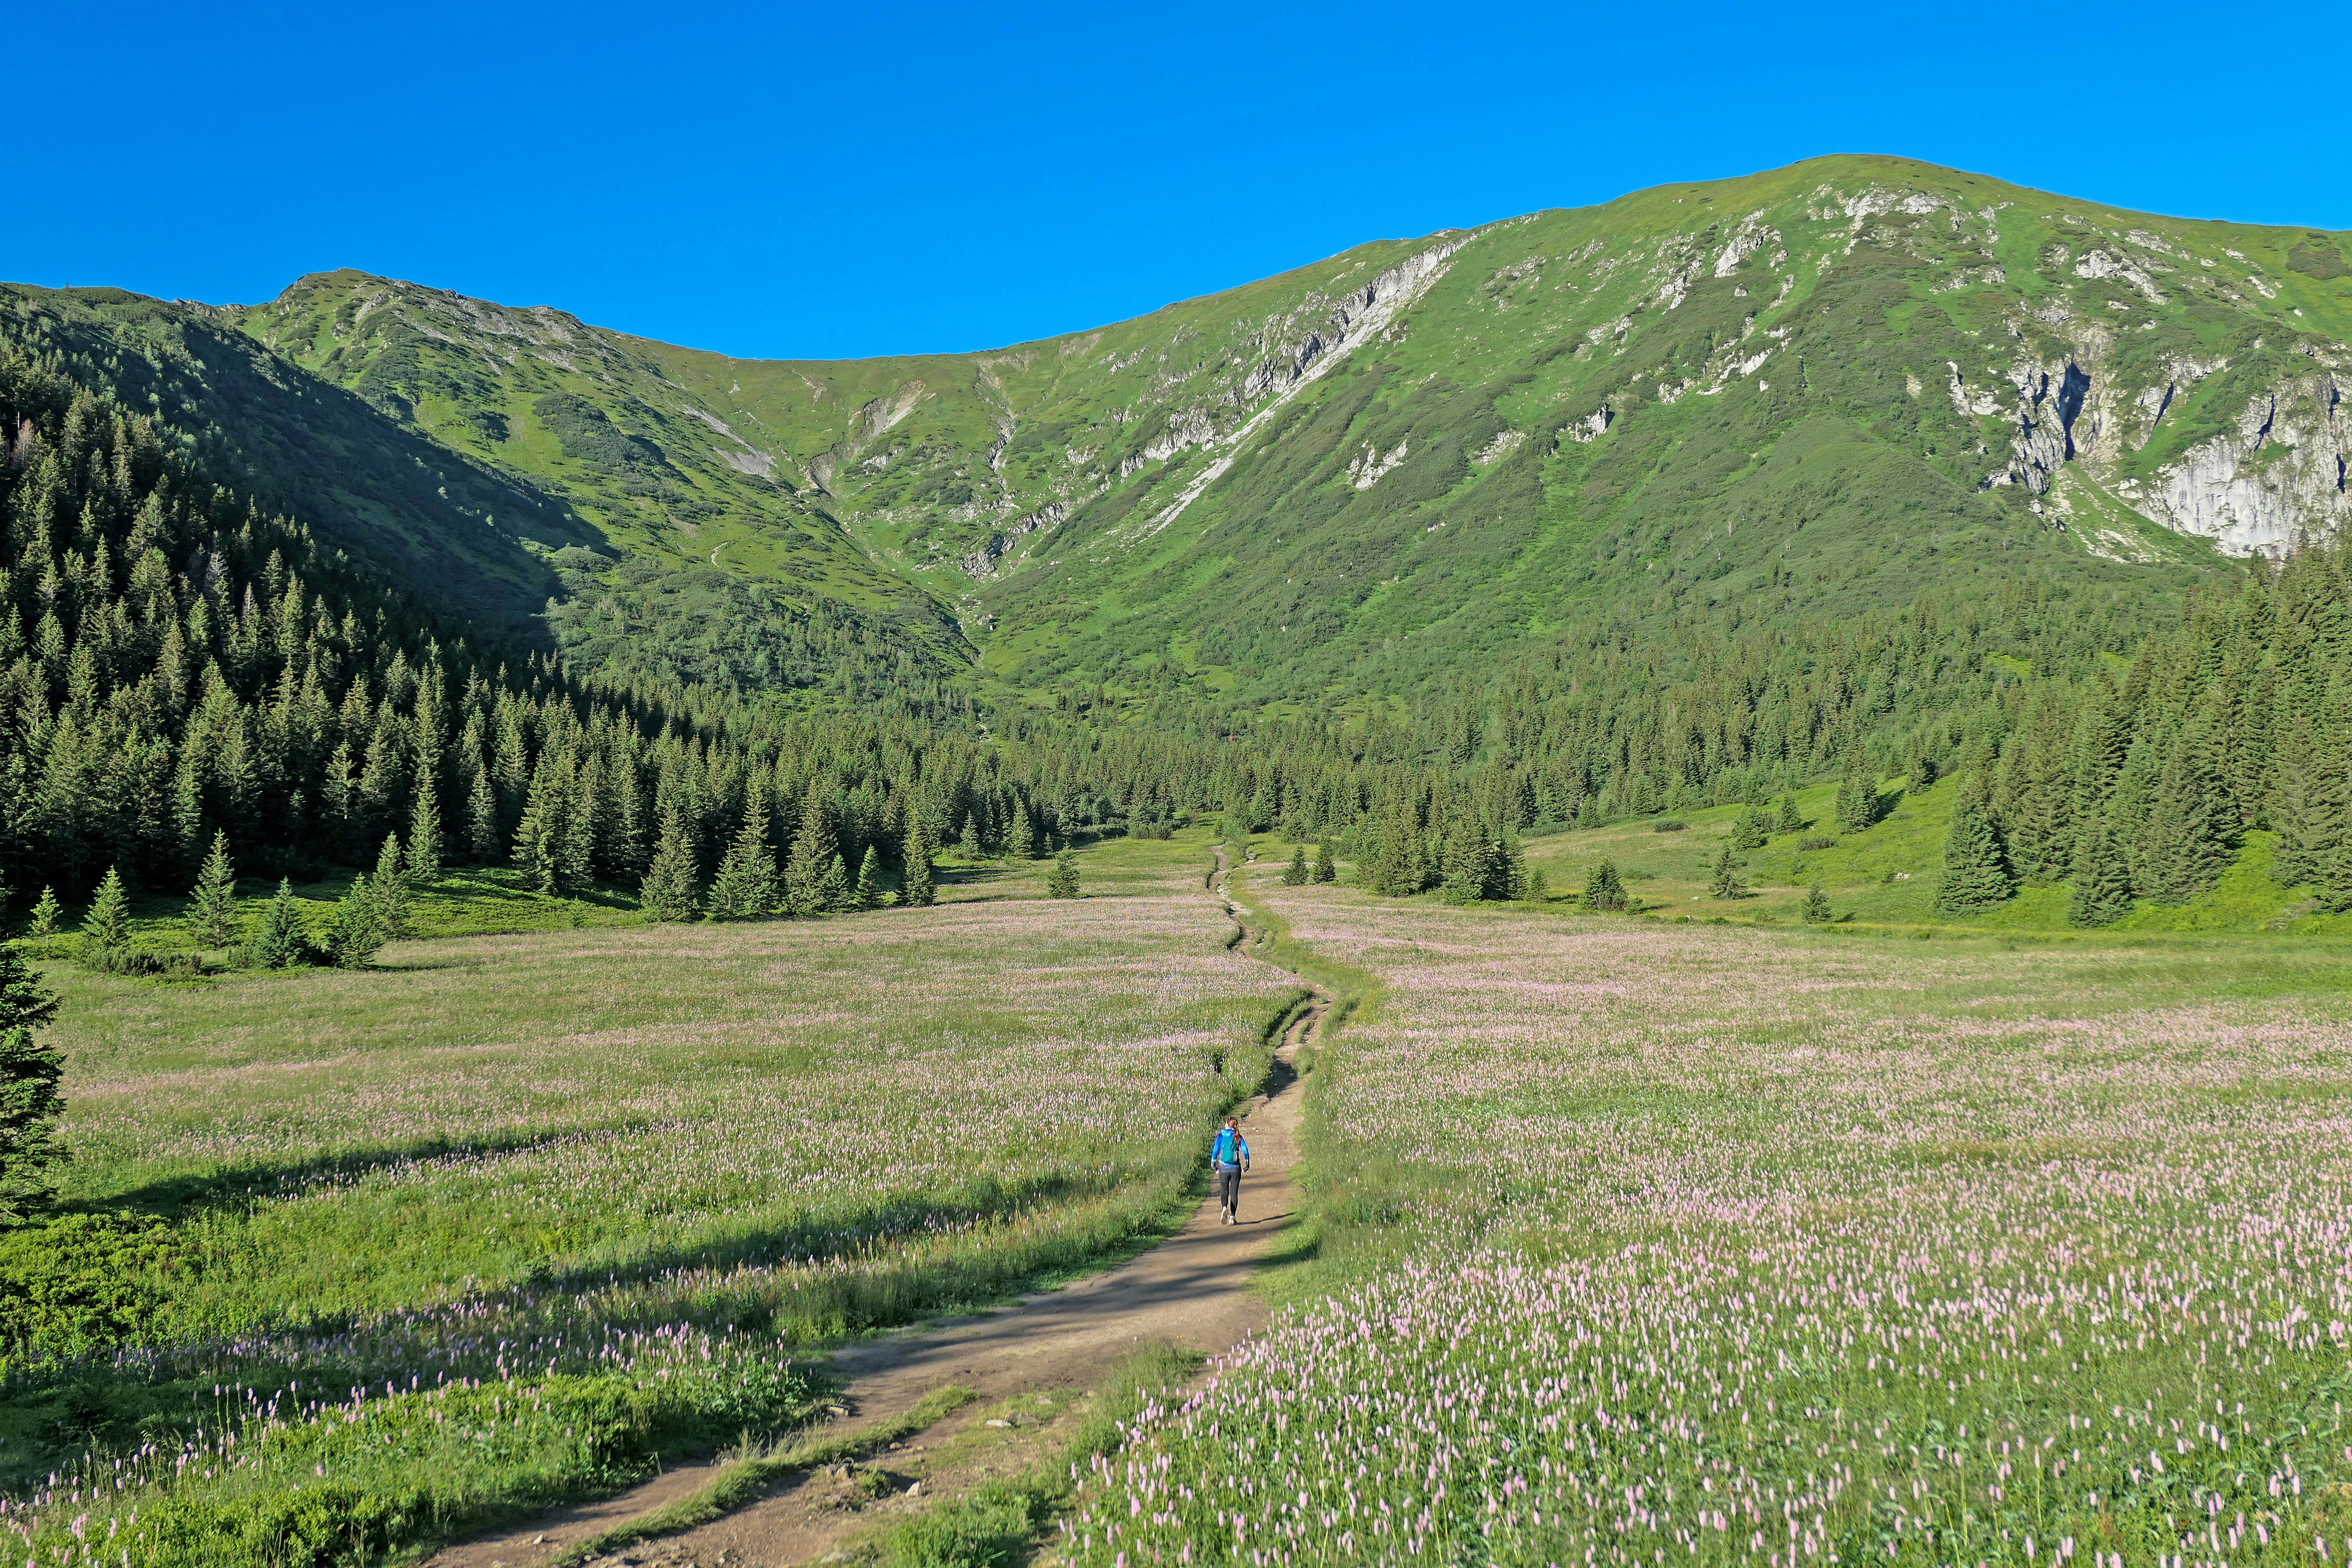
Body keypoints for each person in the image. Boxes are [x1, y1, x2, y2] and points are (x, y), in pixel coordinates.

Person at [1210, 1116, 1250, 1224]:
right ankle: (1233, 1217)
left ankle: (1224, 1208)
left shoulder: (1221, 1137)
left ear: (1227, 1125)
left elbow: (1215, 1152)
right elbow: (1245, 1151)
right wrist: (1247, 1165)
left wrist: (1214, 1165)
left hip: (1223, 1169)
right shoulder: (1238, 1137)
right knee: (1234, 1193)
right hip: (1236, 1169)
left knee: (1224, 1191)